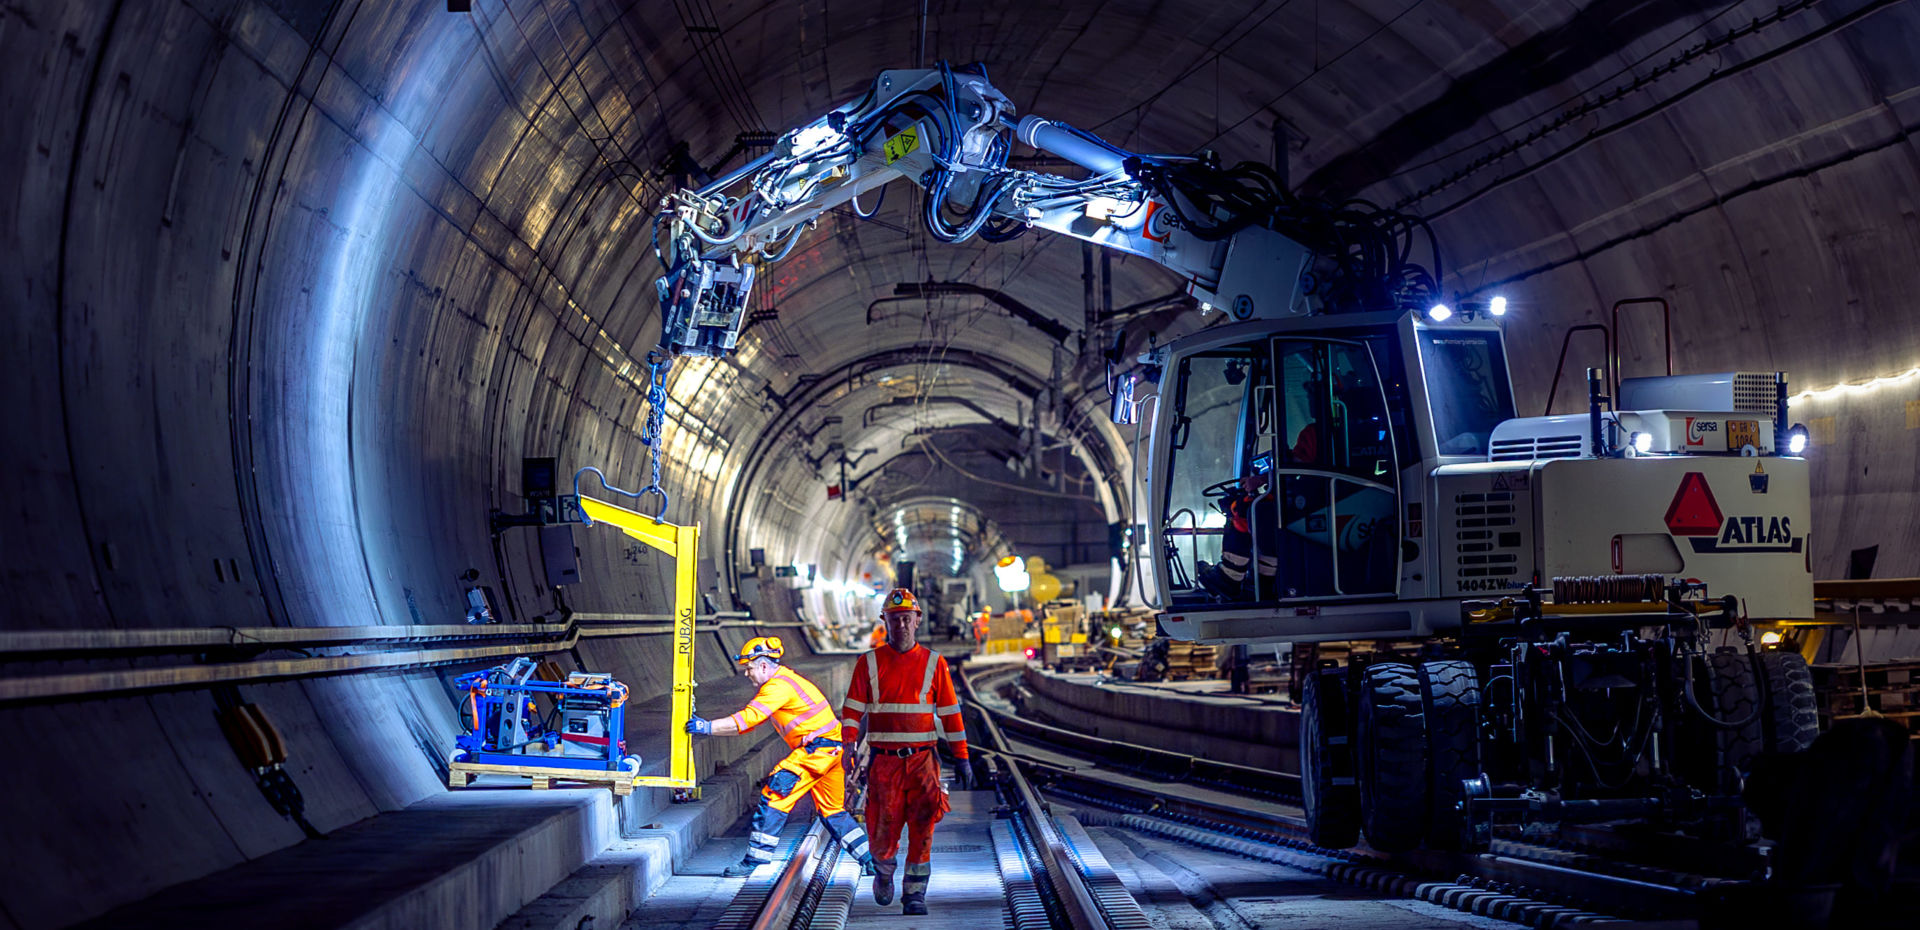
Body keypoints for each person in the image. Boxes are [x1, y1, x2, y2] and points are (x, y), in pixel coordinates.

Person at [686, 636, 875, 877]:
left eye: (749, 668)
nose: (747, 674)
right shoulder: (787, 680)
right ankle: (869, 860)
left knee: (774, 794)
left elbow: (748, 719)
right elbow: (750, 723)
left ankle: (754, 860)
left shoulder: (777, 686)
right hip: (832, 750)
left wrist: (707, 727)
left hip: (816, 752)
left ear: (763, 666)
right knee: (832, 811)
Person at [840, 588, 974, 915]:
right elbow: (852, 712)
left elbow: (951, 715)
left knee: (923, 825)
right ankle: (884, 873)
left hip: (923, 762)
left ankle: (915, 894)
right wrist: (849, 747)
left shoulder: (934, 663)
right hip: (884, 765)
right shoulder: (868, 663)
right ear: (884, 621)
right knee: (882, 829)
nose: (900, 625)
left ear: (917, 620)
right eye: (894, 619)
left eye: (906, 618)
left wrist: (963, 757)